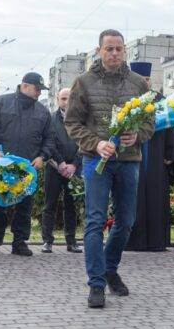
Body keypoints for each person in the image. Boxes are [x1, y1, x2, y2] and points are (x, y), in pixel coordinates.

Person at [64, 29, 153, 308]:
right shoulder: (83, 82)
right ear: (99, 51)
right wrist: (97, 143)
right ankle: (96, 284)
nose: (114, 53)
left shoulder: (139, 83)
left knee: (126, 221)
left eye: (119, 49)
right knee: (95, 221)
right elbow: (72, 124)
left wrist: (137, 136)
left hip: (128, 161)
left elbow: (150, 123)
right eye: (109, 49)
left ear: (125, 51)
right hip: (95, 161)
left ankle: (110, 267)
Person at [0, 72, 54, 257]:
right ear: (25, 86)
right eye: (37, 89)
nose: (39, 93)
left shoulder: (42, 111)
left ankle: (19, 242)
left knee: (24, 206)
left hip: (27, 168)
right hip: (2, 165)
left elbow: (50, 138)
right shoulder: (1, 103)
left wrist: (42, 157)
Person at [125, 61, 174, 252]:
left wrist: (170, 153)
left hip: (156, 157)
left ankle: (156, 241)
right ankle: (131, 241)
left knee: (155, 197)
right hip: (131, 155)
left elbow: (171, 127)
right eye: (141, 79)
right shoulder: (126, 99)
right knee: (132, 197)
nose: (144, 82)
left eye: (147, 79)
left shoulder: (160, 100)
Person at [40, 87, 82, 254]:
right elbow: (49, 142)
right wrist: (61, 163)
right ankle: (47, 241)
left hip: (74, 169)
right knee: (49, 205)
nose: (67, 101)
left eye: (70, 98)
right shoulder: (50, 119)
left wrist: (74, 165)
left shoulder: (81, 120)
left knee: (71, 206)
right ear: (57, 100)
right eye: (63, 98)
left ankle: (71, 241)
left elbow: (84, 143)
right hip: (54, 169)